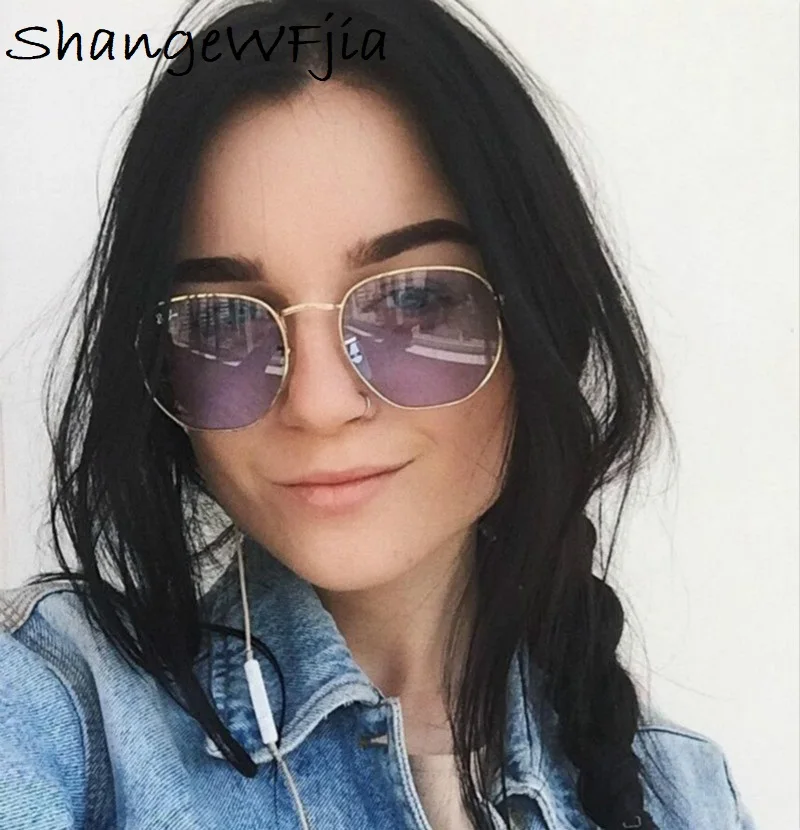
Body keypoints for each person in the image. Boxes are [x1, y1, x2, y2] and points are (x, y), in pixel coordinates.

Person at [0, 1, 757, 828]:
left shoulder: (686, 794)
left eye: (414, 301)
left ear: (541, 319)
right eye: (223, 321)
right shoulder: (55, 712)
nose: (319, 404)